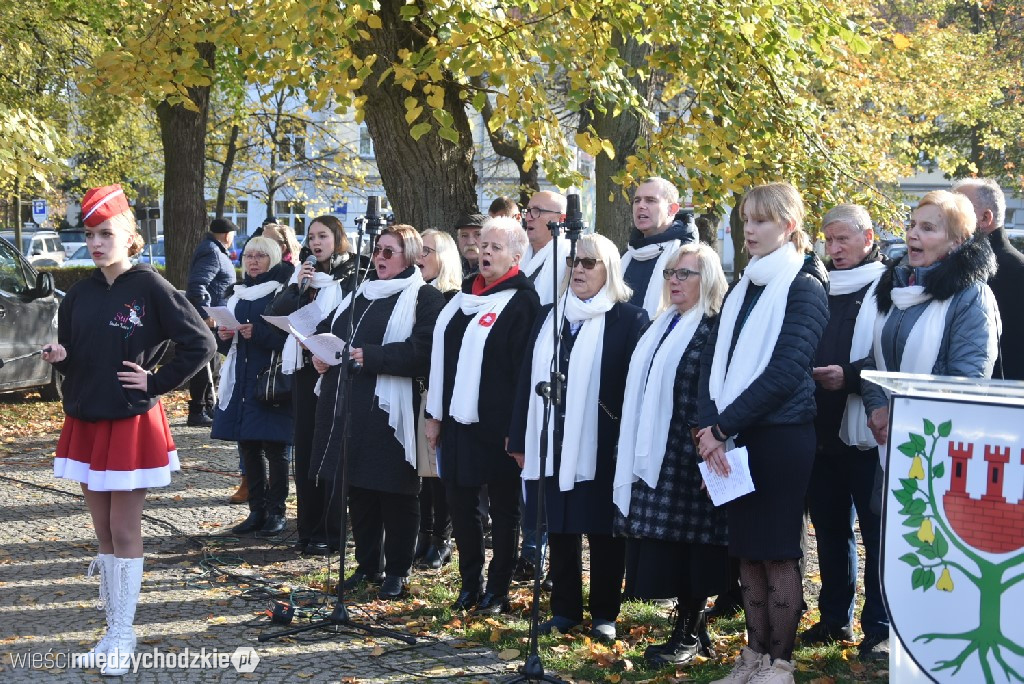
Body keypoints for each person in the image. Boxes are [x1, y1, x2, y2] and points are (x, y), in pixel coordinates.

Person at [43, 184, 216, 675]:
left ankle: (124, 632)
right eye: (89, 234)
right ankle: (113, 627)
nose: (95, 243)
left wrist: (156, 382)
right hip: (85, 419)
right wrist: (62, 356)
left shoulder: (151, 286)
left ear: (130, 237)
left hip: (130, 422)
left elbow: (200, 342)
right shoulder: (78, 293)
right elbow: (79, 351)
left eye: (105, 234)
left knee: (124, 528)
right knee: (101, 530)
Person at [696, 182, 828, 684]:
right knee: (746, 552)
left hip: (780, 437)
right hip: (732, 439)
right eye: (745, 219)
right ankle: (752, 656)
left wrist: (721, 425)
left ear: (789, 226)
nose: (748, 229)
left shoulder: (805, 286)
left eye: (761, 221)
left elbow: (787, 370)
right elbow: (716, 362)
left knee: (777, 552)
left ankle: (781, 662)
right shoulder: (745, 284)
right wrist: (706, 428)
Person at [509, 234, 648, 642]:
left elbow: (636, 389)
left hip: (602, 443)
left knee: (603, 532)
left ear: (609, 269)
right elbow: (525, 380)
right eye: (574, 262)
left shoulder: (630, 319)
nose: (580, 269)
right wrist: (519, 436)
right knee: (561, 527)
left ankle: (605, 612)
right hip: (551, 436)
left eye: (590, 262)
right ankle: (565, 610)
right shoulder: (549, 315)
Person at [308, 225, 445, 599]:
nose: (379, 258)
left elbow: (424, 351)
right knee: (360, 491)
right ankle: (368, 565)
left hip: (392, 411)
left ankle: (397, 570)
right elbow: (326, 329)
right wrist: (320, 355)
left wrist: (372, 356)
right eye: (378, 251)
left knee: (396, 494)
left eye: (389, 252)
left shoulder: (425, 298)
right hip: (348, 404)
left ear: (411, 257)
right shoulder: (359, 294)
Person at [613, 242, 728, 665]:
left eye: (685, 274)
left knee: (696, 547)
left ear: (709, 279)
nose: (674, 281)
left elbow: (715, 393)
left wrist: (712, 448)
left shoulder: (713, 327)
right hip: (660, 451)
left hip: (697, 451)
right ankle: (691, 629)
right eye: (670, 274)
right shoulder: (662, 324)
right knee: (672, 548)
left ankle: (688, 633)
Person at [426, 217, 541, 615]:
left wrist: (518, 430)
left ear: (516, 254)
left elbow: (524, 373)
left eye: (495, 245)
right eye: (482, 244)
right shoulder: (462, 299)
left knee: (505, 511)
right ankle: (470, 582)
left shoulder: (523, 301)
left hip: (499, 428)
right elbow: (441, 362)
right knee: (461, 506)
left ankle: (499, 587)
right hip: (458, 423)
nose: (485, 251)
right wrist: (434, 414)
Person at [804, 205, 889, 659]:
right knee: (830, 529)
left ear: (868, 236)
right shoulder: (818, 286)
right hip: (818, 427)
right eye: (828, 240)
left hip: (866, 429)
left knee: (875, 532)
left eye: (843, 240)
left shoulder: (889, 287)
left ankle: (877, 625)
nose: (834, 249)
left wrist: (851, 378)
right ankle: (834, 618)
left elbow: (894, 354)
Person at [862, 190, 1000, 448]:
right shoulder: (896, 288)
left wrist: (903, 416)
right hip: (887, 446)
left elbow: (969, 381)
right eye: (912, 225)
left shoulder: (971, 296)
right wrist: (877, 409)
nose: (913, 234)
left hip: (939, 446)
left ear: (957, 241)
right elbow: (873, 363)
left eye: (927, 228)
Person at [266, 215, 367, 556]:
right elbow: (278, 314)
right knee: (307, 450)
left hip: (336, 370)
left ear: (339, 239)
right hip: (305, 371)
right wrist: (296, 283)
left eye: (323, 235)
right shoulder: (306, 278)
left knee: (331, 450)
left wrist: (331, 354)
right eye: (311, 236)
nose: (315, 242)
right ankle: (307, 528)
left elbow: (357, 322)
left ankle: (332, 530)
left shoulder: (354, 274)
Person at [211, 236, 294, 538]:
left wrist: (256, 333)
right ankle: (256, 511)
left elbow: (291, 340)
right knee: (247, 447)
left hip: (270, 381)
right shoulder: (238, 293)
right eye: (248, 255)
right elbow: (226, 347)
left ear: (273, 259)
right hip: (241, 380)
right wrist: (223, 333)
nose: (253, 261)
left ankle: (277, 512)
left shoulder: (283, 292)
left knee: (275, 449)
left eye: (261, 256)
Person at [413, 229, 463, 570]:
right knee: (419, 471)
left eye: (427, 251)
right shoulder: (411, 295)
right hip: (413, 389)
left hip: (440, 392)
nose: (419, 258)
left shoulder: (454, 299)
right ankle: (424, 533)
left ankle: (442, 539)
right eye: (417, 250)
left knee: (437, 470)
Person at [952, 178, 1024, 380]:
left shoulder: (1016, 272)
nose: (947, 217)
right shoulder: (950, 268)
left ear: (985, 218)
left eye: (959, 210)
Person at [185, 217, 237, 428]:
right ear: (227, 235)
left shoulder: (215, 250)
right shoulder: (212, 252)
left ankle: (208, 406)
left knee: (213, 363)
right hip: (208, 318)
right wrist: (204, 314)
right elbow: (198, 285)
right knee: (204, 362)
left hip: (215, 317)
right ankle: (197, 408)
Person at [621, 177, 697, 318]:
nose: (641, 206)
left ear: (672, 209)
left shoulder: (686, 256)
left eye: (650, 200)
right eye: (637, 201)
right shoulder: (626, 255)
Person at [520, 190, 569, 306]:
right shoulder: (516, 254)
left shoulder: (571, 257)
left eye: (537, 211)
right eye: (527, 211)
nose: (528, 218)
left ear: (561, 219)